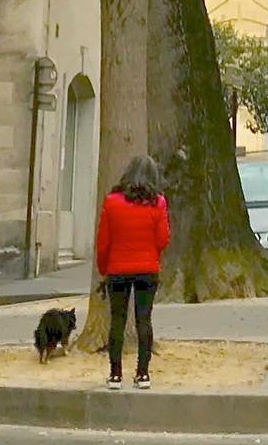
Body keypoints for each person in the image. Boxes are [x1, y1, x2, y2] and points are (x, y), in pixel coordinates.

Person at [95, 154, 170, 390]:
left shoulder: (112, 201)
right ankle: (143, 373)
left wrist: (103, 268)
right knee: (143, 320)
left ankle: (115, 374)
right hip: (147, 268)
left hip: (117, 268)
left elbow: (103, 242)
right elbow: (163, 239)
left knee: (117, 320)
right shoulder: (158, 203)